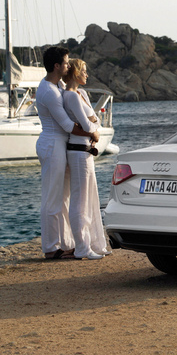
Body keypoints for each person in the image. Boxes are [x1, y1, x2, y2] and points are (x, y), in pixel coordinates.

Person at [36, 47, 99, 259]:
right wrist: (93, 133)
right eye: (65, 62)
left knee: (64, 197)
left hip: (61, 145)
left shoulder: (58, 86)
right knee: (53, 197)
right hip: (52, 143)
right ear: (56, 66)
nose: (68, 65)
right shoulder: (49, 92)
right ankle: (50, 247)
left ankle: (65, 243)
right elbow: (67, 125)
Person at [62, 58, 110, 260]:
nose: (87, 74)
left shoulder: (81, 93)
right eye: (84, 71)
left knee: (90, 198)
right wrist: (92, 127)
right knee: (80, 200)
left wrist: (92, 125)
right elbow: (89, 125)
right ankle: (82, 247)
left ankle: (93, 244)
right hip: (78, 152)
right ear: (75, 73)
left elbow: (95, 120)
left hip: (86, 151)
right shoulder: (71, 96)